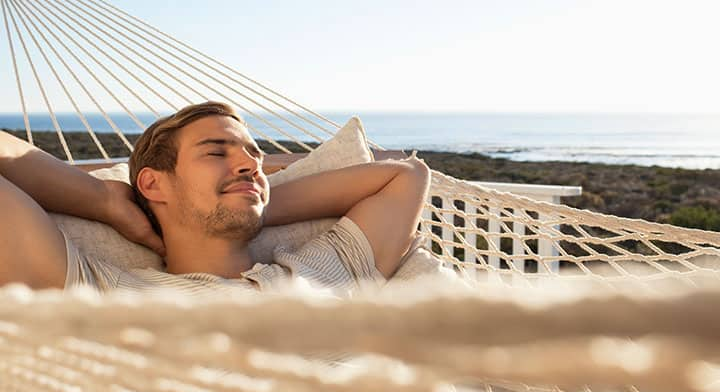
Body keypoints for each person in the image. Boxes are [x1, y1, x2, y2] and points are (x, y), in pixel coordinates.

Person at [0, 102, 431, 296]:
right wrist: (102, 200)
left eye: (255, 156)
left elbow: (406, 176)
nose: (252, 164)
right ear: (153, 185)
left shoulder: (328, 266)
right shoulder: (105, 293)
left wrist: (250, 202)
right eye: (216, 152)